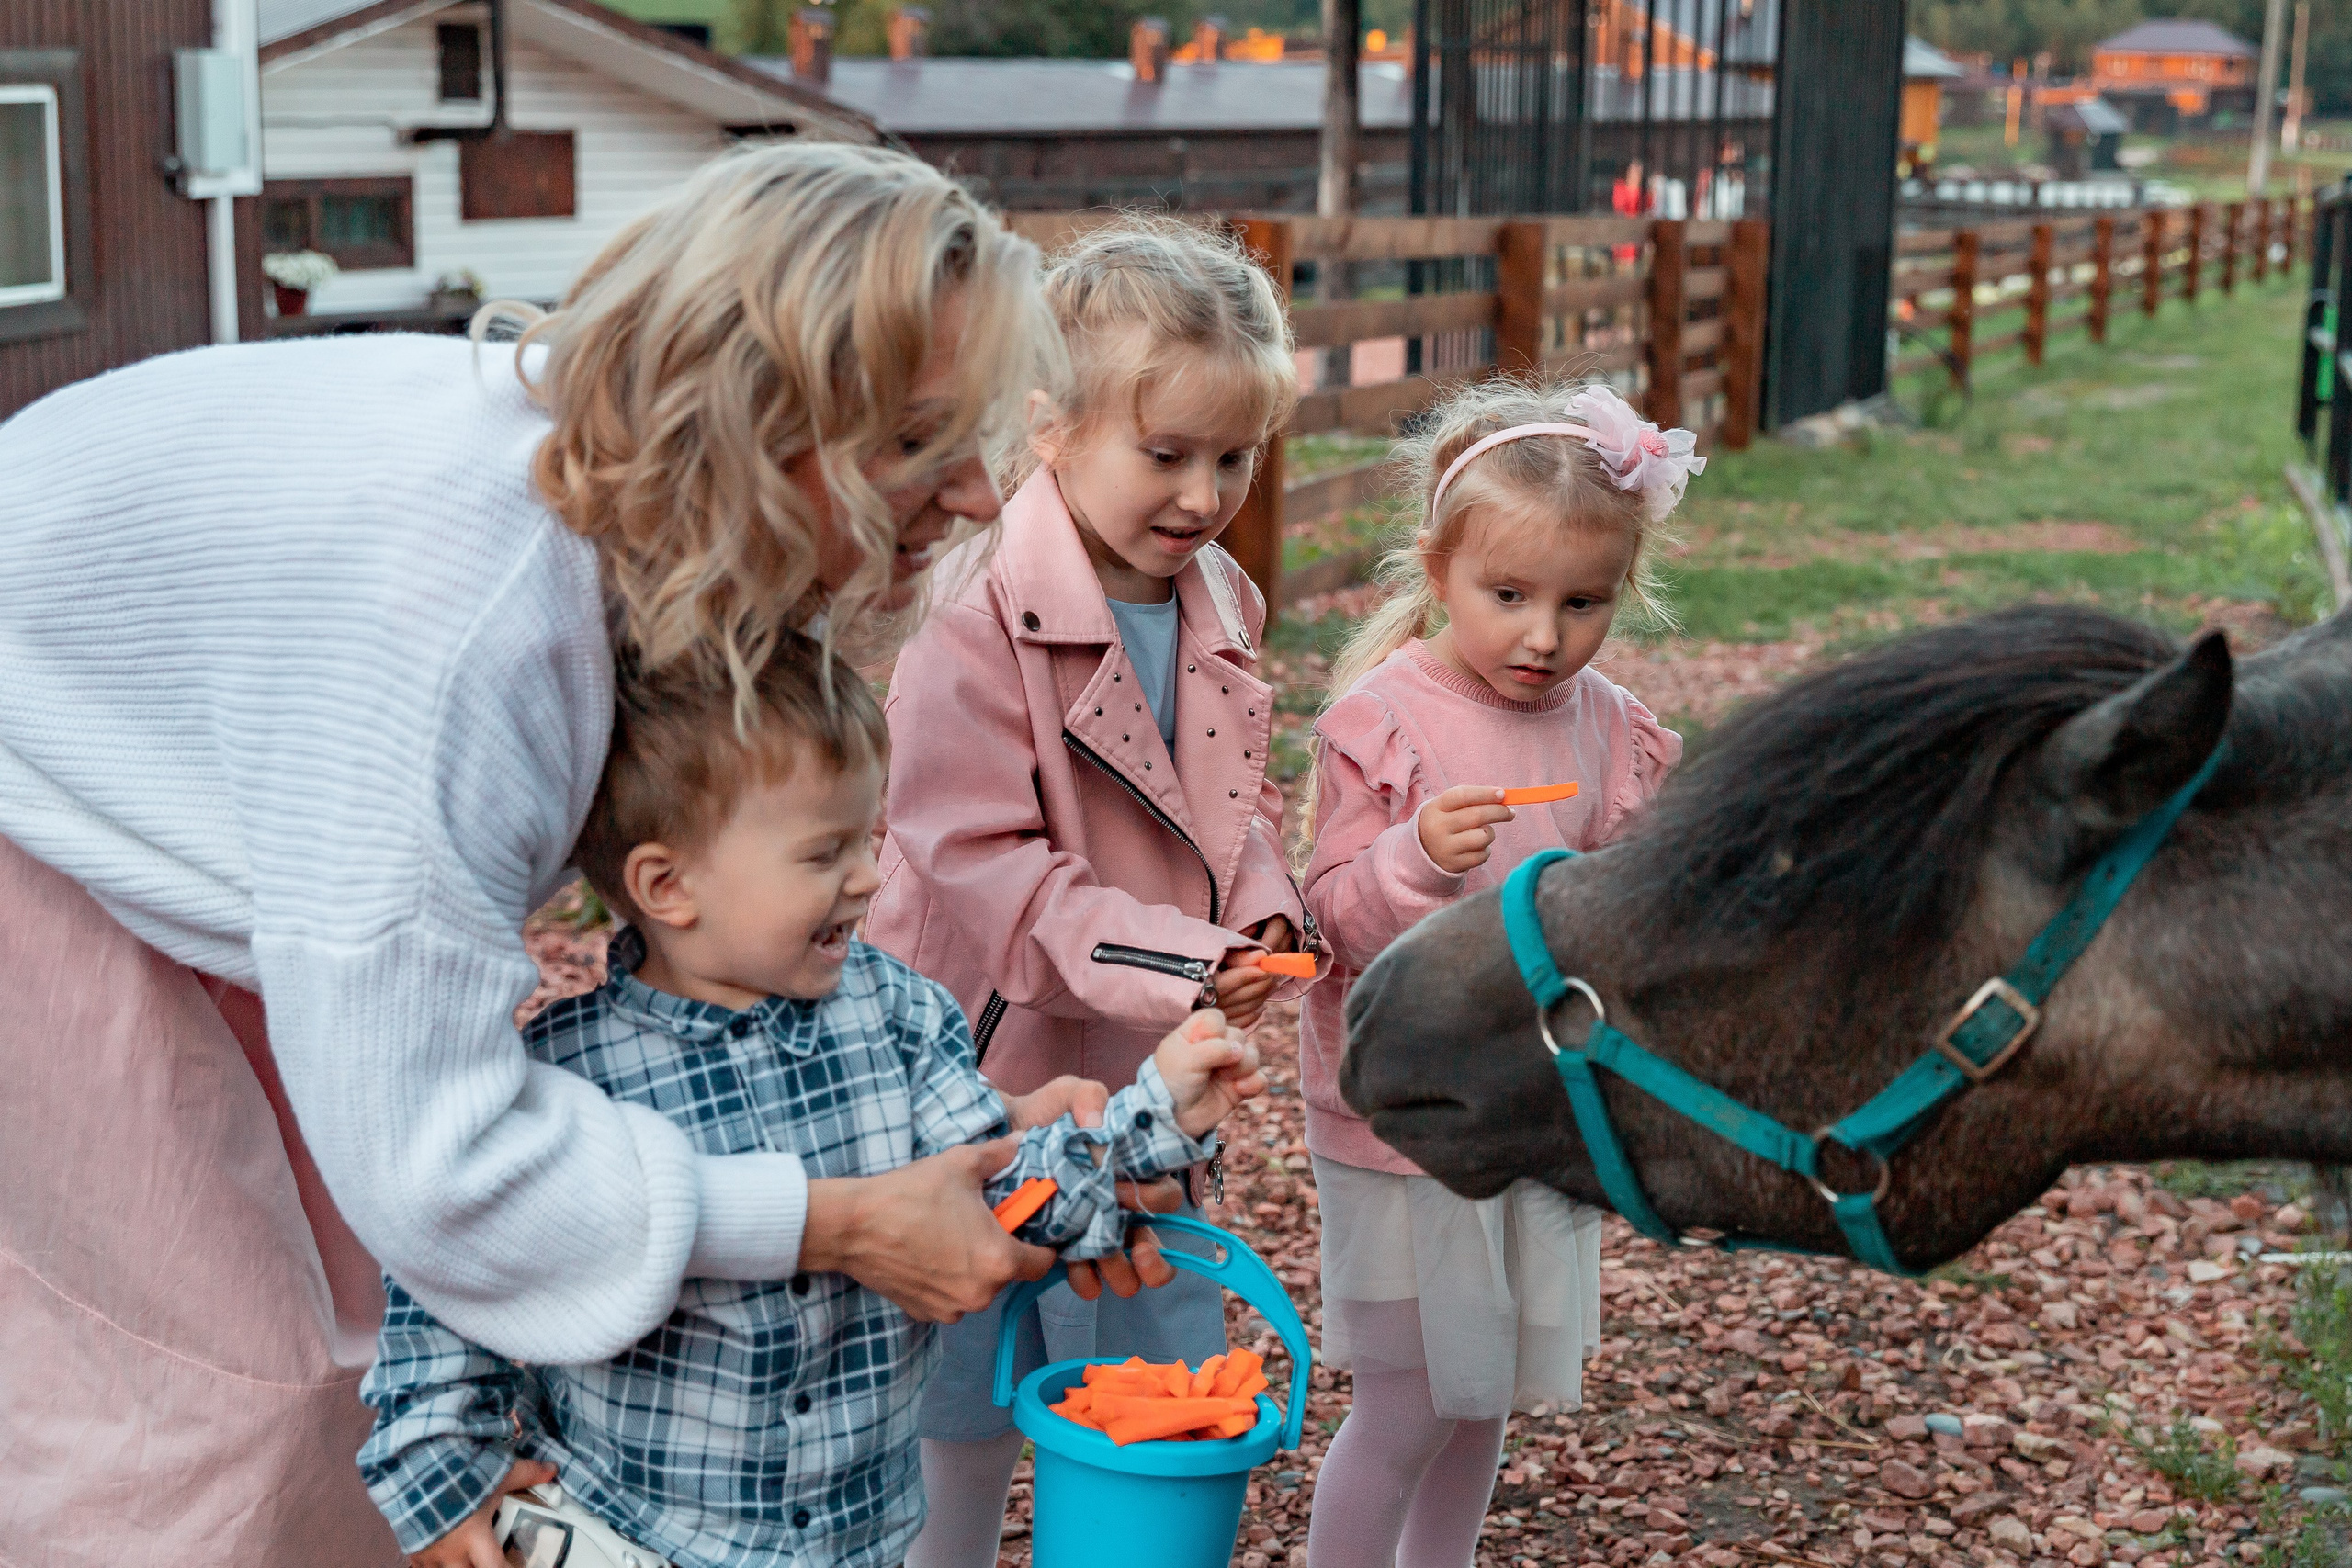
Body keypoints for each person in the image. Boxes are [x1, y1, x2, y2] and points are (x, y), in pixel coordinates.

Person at [0, 142, 1111, 1563]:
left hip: (185, 768)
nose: (970, 495)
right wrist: (833, 1221)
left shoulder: (607, 513)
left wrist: (951, 1149)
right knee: (212, 1392)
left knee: (342, 1315)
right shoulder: (470, 634)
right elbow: (440, 1166)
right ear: (748, 425)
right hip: (38, 804)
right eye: (909, 444)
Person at [360, 639, 1266, 1568]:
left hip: (856, 1538)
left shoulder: (902, 1016)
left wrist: (1145, 1125)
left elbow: (1003, 1189)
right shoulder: (565, 1074)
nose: (869, 878)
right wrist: (439, 1476)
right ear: (668, 886)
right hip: (636, 1532)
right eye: (823, 852)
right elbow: (451, 1277)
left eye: (865, 840)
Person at [865, 216, 1323, 1568]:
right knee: (963, 1370)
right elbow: (984, 865)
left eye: (1235, 456)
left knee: (1148, 1345)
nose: (1203, 493)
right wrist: (1189, 956)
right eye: (1167, 454)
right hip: (989, 1055)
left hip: (1147, 1050)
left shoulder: (1219, 596)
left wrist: (1266, 911)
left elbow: (1239, 798)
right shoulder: (970, 604)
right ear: (1052, 426)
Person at [1296, 380, 1702, 1568]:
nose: (1544, 636)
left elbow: (1624, 908)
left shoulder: (1607, 727)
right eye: (1510, 595)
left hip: (1528, 1109)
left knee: (1481, 1400)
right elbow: (1325, 920)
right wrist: (1411, 860)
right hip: (1407, 1123)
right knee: (1409, 1403)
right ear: (1437, 567)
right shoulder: (1384, 720)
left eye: (1583, 603)